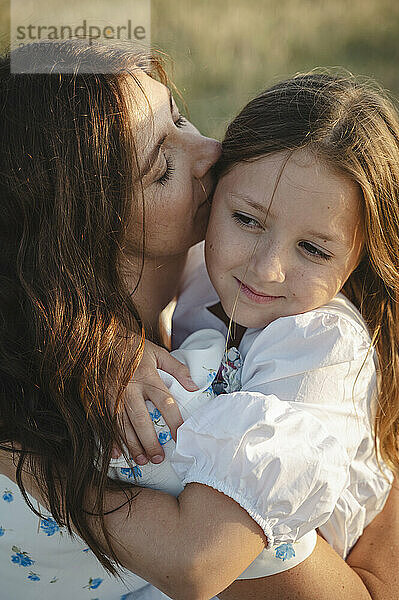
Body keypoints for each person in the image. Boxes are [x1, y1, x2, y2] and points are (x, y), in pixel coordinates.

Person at [0, 40, 397, 599]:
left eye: (180, 117)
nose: (211, 148)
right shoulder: (153, 419)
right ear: (79, 226)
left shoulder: (287, 323)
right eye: (163, 166)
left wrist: (100, 345)